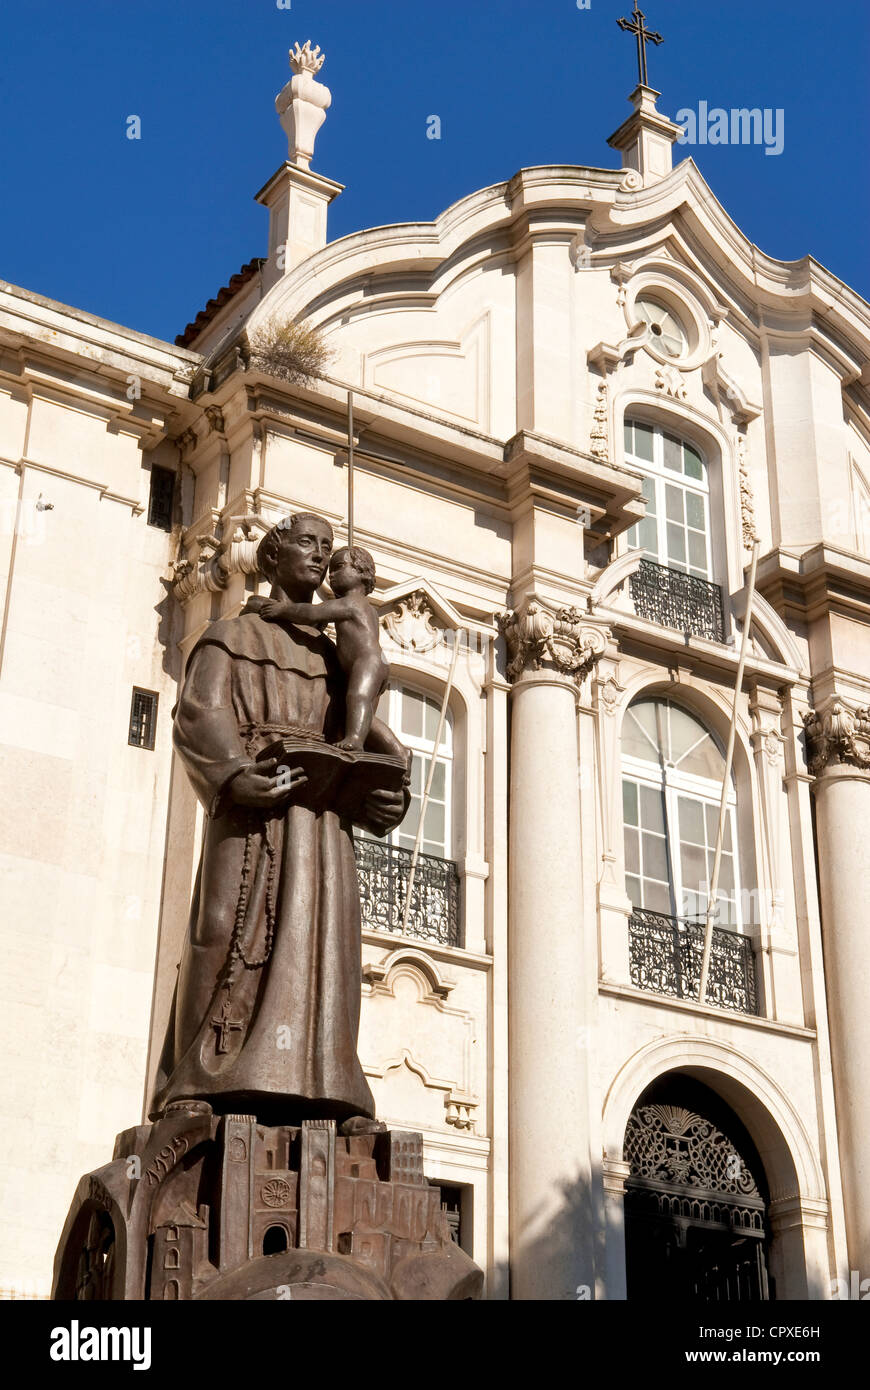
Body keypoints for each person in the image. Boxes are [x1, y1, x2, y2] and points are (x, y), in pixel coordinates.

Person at [150, 512, 409, 1127]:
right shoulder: (230, 634)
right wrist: (237, 774)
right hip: (252, 812)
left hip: (321, 825)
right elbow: (199, 715)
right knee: (224, 930)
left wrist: (384, 792)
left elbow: (371, 737)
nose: (319, 556)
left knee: (327, 945)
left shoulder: (335, 654)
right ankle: (199, 1078)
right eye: (306, 544)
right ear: (272, 556)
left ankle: (333, 1085)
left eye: (327, 547)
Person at [246, 543, 405, 757]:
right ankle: (399, 752)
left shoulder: (353, 603)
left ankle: (355, 741)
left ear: (361, 572)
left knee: (357, 698)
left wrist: (283, 609)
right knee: (362, 712)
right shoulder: (357, 607)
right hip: (373, 664)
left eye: (339, 567)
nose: (332, 576)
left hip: (367, 663)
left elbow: (312, 613)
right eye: (331, 571)